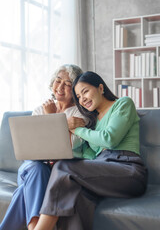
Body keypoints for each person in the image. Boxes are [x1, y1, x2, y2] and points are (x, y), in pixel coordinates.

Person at [32, 71, 148, 230]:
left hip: (128, 171)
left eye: (85, 91)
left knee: (63, 168)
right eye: (78, 96)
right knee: (74, 196)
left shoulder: (123, 104)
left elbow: (109, 139)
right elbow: (91, 155)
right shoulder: (93, 122)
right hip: (102, 171)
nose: (82, 99)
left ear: (100, 88)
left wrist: (76, 130)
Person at [0, 64, 86, 230]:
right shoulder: (40, 109)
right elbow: (30, 148)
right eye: (57, 81)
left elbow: (65, 148)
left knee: (26, 187)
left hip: (56, 173)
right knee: (36, 167)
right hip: (30, 167)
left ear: (75, 90)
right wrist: (61, 123)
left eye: (67, 84)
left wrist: (52, 117)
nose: (60, 87)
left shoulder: (79, 113)